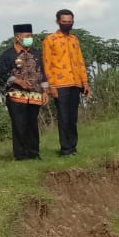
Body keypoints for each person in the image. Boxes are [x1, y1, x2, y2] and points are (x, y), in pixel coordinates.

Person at [41, 8, 91, 156]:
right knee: (63, 117)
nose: (67, 24)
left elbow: (80, 61)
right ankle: (65, 149)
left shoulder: (75, 39)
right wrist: (52, 86)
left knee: (73, 117)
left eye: (70, 22)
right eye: (64, 22)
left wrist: (85, 82)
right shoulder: (50, 39)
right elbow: (47, 63)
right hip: (59, 84)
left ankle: (73, 147)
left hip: (75, 83)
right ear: (57, 22)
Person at [0, 24, 50, 160]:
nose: (30, 38)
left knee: (32, 124)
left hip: (35, 94)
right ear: (18, 37)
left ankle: (34, 154)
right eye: (27, 36)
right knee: (19, 125)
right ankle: (20, 156)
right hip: (16, 95)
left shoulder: (37, 53)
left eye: (31, 36)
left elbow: (43, 73)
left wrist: (45, 91)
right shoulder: (7, 55)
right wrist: (18, 81)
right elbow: (3, 74)